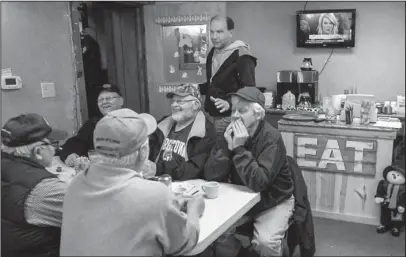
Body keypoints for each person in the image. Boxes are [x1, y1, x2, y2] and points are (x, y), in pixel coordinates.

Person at [60, 108, 205, 256]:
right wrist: (194, 210)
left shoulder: (75, 184)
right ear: (143, 151)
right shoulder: (155, 195)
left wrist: (168, 206)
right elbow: (183, 245)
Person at [204, 87, 295, 257]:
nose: (235, 115)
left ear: (258, 114)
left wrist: (239, 149)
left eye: (242, 110)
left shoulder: (271, 138)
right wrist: (225, 149)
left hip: (273, 200)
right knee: (217, 232)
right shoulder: (227, 131)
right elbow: (211, 175)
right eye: (233, 110)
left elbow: (259, 183)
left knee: (265, 243)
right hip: (242, 198)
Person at [1, 113, 68, 257]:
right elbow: (94, 217)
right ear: (38, 152)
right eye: (53, 143)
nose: (56, 149)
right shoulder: (44, 190)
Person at [199, 15, 257, 147]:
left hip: (231, 118)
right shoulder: (212, 52)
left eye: (219, 32)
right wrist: (193, 88)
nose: (214, 36)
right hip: (210, 116)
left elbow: (250, 92)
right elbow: (213, 84)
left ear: (230, 33)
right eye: (212, 32)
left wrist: (230, 104)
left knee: (225, 158)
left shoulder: (242, 55)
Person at [149, 83, 215, 181]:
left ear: (196, 105)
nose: (174, 105)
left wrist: (158, 169)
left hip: (185, 187)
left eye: (180, 101)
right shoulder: (162, 124)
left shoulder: (206, 130)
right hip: (154, 180)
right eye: (173, 101)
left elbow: (194, 169)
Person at [59, 83, 123, 166]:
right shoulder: (93, 123)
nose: (104, 102)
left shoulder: (133, 121)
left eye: (109, 98)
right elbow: (76, 142)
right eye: (100, 100)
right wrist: (70, 154)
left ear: (121, 101)